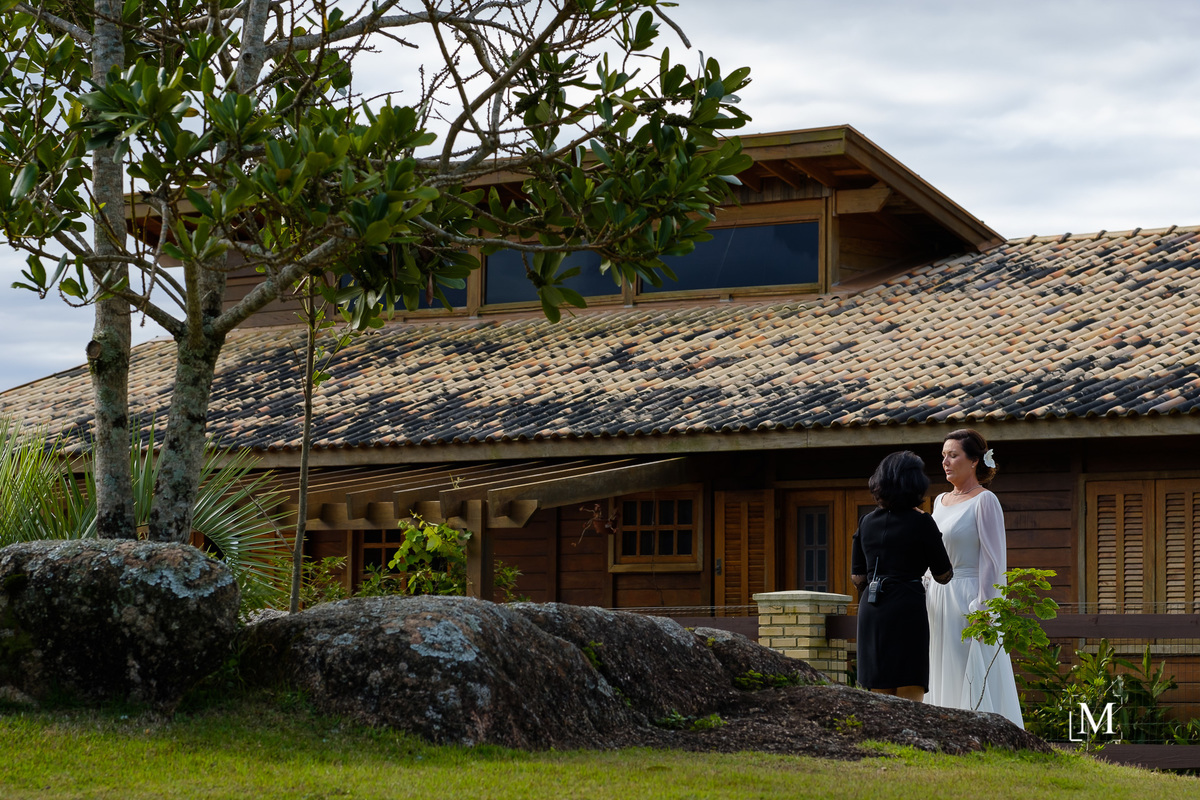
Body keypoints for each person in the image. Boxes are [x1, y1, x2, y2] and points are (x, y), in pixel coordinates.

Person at [925, 428, 1025, 728]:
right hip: (937, 598)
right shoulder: (939, 501)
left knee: (965, 666)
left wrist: (984, 609)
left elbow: (993, 562)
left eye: (953, 455)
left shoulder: (985, 501)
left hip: (968, 597)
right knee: (937, 665)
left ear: (974, 461)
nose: (946, 462)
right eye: (943, 456)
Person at [851, 451, 953, 702]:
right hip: (906, 603)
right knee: (909, 680)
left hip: (872, 609)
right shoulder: (922, 522)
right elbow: (943, 574)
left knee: (878, 683)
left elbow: (858, 577)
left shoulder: (866, 522)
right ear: (915, 484)